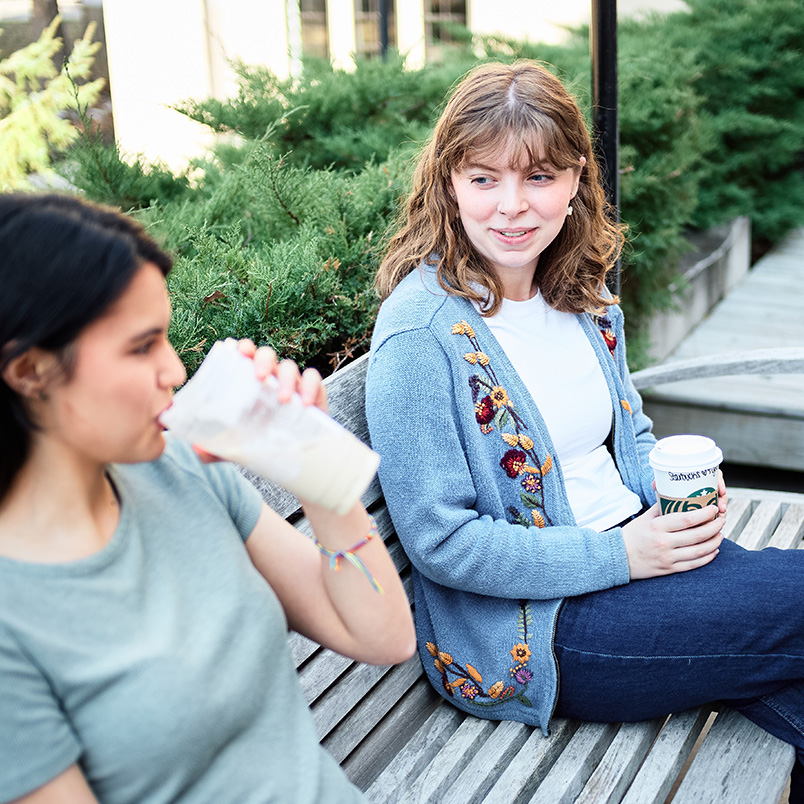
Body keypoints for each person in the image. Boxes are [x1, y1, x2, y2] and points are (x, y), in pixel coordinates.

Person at [364, 59, 804, 796]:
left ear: (575, 182)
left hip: (647, 555)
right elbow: (443, 543)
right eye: (483, 179)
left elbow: (628, 435)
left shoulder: (583, 293)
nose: (511, 207)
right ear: (448, 184)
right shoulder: (422, 334)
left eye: (537, 178)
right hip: (548, 631)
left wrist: (676, 493)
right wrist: (622, 557)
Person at [0, 193, 415, 804]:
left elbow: (382, 636)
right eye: (142, 347)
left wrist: (306, 457)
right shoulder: (16, 615)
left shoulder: (178, 466)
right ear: (30, 370)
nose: (174, 367)